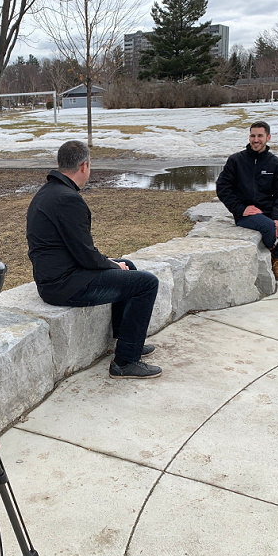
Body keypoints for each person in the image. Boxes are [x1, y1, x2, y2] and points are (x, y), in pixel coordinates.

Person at [26, 140, 162, 379]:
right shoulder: (67, 198)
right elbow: (86, 255)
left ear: (60, 164)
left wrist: (114, 264)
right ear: (85, 166)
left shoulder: (48, 191)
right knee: (146, 283)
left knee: (128, 267)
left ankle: (127, 342)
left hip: (56, 277)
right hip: (63, 285)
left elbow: (74, 249)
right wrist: (111, 265)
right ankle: (125, 362)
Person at [215, 121, 278, 281]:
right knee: (269, 229)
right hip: (246, 214)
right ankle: (277, 257)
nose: (256, 139)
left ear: (268, 137)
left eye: (260, 136)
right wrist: (241, 209)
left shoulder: (275, 163)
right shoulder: (236, 160)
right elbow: (222, 187)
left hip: (269, 211)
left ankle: (275, 257)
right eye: (253, 135)